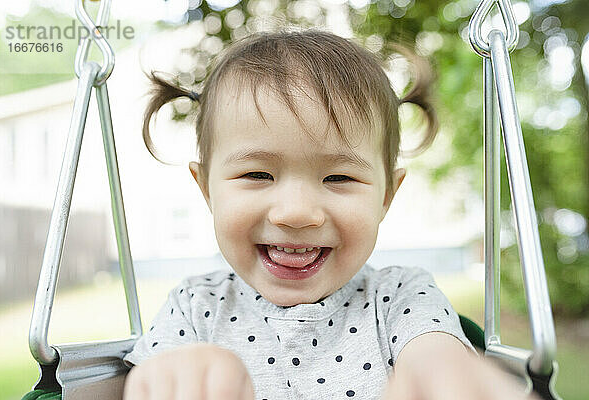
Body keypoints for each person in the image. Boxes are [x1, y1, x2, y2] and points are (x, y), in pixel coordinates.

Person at [122, 28, 535, 400]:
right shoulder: (195, 307)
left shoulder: (400, 298)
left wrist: (444, 370)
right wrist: (173, 378)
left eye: (338, 178)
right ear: (206, 189)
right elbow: (149, 383)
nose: (296, 214)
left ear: (387, 195)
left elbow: (434, 358)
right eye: (257, 173)